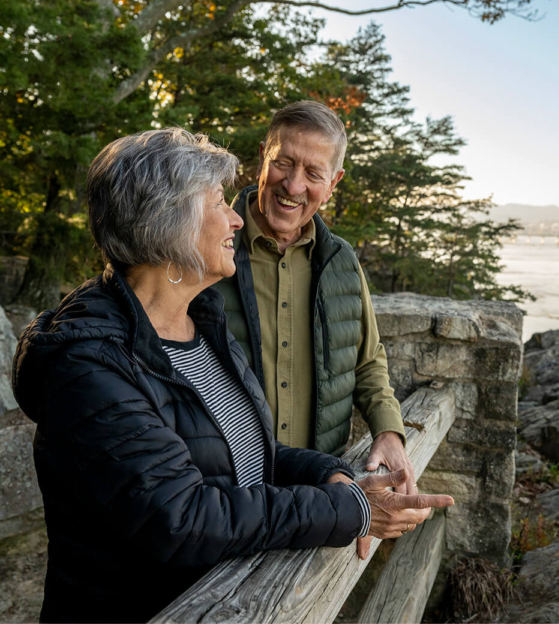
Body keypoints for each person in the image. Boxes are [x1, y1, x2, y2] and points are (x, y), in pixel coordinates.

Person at [12, 128, 453, 624]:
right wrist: (349, 507)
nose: (236, 218)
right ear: (168, 223)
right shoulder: (88, 364)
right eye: (219, 202)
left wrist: (329, 474)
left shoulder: (201, 322)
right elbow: (183, 516)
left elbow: (242, 453)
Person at [214, 102, 415, 513]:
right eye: (284, 163)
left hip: (320, 489)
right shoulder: (207, 247)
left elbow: (367, 362)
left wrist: (389, 430)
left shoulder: (342, 261)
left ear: (334, 181)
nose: (293, 185)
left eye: (313, 173)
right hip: (225, 492)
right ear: (262, 158)